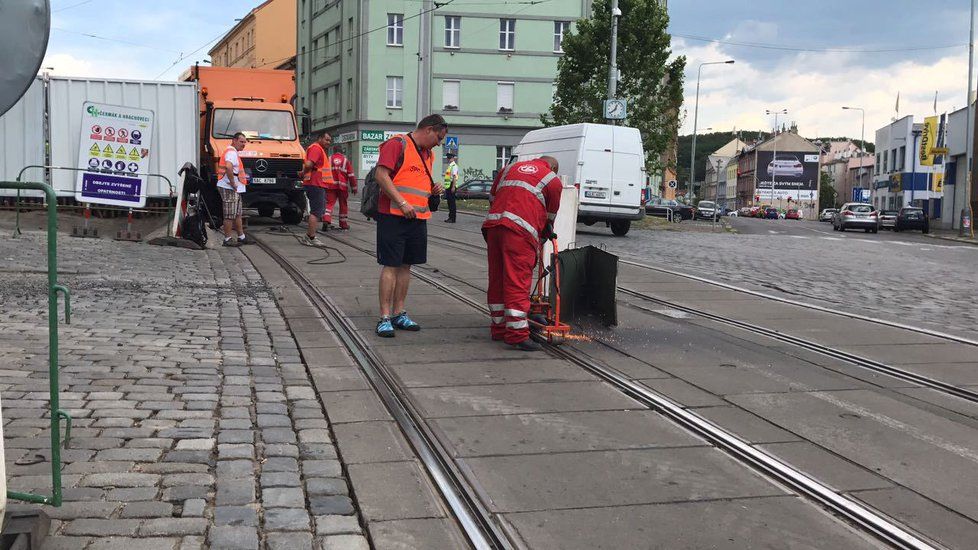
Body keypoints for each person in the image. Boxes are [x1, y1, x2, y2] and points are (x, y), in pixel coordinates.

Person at [373, 114, 447, 337]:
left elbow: (415, 181)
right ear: (428, 130)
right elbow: (381, 175)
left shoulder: (428, 154)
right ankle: (384, 317)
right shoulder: (398, 144)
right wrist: (401, 202)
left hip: (417, 218)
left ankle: (399, 313)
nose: (440, 143)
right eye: (439, 137)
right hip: (393, 216)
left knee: (406, 266)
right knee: (391, 265)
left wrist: (432, 191)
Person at [483, 156, 562, 351]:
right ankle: (517, 334)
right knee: (517, 281)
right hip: (520, 232)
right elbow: (550, 216)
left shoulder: (509, 168)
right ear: (553, 167)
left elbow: (493, 198)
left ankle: (499, 328)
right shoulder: (552, 180)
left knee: (498, 279)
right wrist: (543, 233)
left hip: (494, 226)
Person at [217, 132, 253, 247]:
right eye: (241, 142)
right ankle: (227, 239)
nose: (243, 144)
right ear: (234, 140)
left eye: (245, 142)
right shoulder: (231, 152)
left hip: (233, 188)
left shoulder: (232, 152)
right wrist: (232, 183)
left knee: (237, 214)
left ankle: (241, 237)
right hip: (229, 187)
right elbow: (228, 166)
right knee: (229, 215)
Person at [299, 132, 333, 245]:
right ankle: (310, 237)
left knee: (317, 211)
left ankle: (310, 236)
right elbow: (309, 164)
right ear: (319, 138)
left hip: (315, 183)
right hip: (316, 184)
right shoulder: (316, 148)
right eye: (326, 139)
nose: (328, 142)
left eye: (329, 140)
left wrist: (303, 173)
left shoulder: (317, 149)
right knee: (316, 212)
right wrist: (303, 173)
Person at [329, 145, 358, 230]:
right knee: (343, 205)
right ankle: (343, 223)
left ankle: (326, 220)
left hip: (331, 186)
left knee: (329, 203)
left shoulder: (329, 159)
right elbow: (351, 175)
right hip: (342, 187)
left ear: (334, 151)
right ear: (342, 151)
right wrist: (354, 187)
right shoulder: (345, 160)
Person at [443, 152, 459, 223]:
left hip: (451, 186)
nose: (448, 159)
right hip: (448, 186)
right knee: (450, 203)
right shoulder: (450, 166)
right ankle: (450, 217)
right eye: (448, 158)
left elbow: (455, 177)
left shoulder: (454, 166)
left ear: (453, 158)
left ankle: (452, 218)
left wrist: (453, 187)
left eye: (450, 158)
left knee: (452, 203)